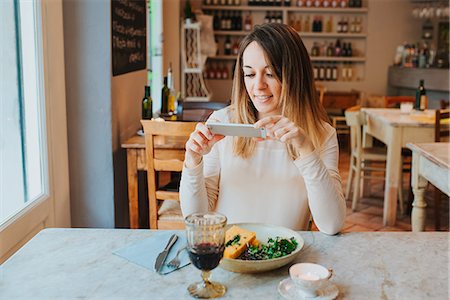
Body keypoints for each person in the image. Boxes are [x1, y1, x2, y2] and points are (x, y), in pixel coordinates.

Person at [179, 23, 346, 235]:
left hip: (286, 258)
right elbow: (197, 218)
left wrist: (306, 151)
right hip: (230, 257)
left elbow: (331, 224)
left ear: (295, 75)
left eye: (271, 73)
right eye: (249, 74)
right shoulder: (224, 123)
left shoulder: (322, 134)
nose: (258, 86)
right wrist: (193, 162)